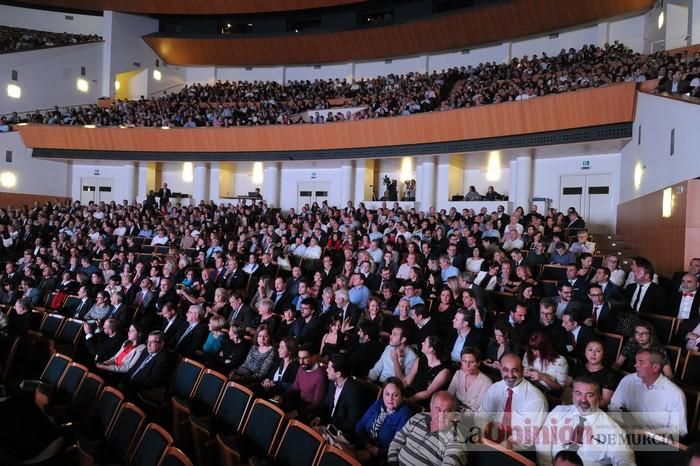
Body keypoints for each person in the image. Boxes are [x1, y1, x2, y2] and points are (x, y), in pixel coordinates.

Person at [536, 376, 634, 466]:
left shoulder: (612, 429)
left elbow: (625, 458)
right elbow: (542, 443)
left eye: (589, 395)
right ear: (573, 394)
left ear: (599, 398)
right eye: (578, 393)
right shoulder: (558, 412)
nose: (583, 400)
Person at [609, 348, 687, 437]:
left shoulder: (675, 394)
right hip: (624, 433)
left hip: (654, 442)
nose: (635, 365)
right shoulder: (628, 381)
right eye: (636, 362)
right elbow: (614, 406)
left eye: (640, 362)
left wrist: (647, 433)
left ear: (655, 367)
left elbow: (680, 431)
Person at [478, 353, 548, 448]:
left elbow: (527, 438)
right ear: (501, 369)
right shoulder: (494, 388)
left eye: (515, 370)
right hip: (490, 439)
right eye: (506, 370)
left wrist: (503, 446)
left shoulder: (536, 399)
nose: (510, 375)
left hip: (517, 449)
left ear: (522, 370)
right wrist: (482, 434)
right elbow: (482, 415)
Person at [387, 391, 467, 466]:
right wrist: (392, 462)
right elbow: (397, 440)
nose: (441, 415)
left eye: (447, 411)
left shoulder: (456, 440)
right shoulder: (418, 417)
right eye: (438, 409)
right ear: (431, 407)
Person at [355, 378, 413, 462]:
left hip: (380, 458)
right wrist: (368, 446)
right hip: (362, 445)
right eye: (387, 394)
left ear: (402, 396)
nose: (390, 398)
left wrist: (372, 453)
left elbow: (397, 446)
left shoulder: (405, 414)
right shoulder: (378, 403)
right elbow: (360, 426)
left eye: (395, 395)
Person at [310, 354, 364, 441]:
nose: (326, 370)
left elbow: (352, 422)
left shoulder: (354, 392)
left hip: (341, 432)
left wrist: (327, 428)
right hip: (328, 424)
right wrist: (318, 417)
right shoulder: (332, 383)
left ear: (338, 374)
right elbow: (326, 404)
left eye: (329, 368)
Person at [279, 344, 327, 419]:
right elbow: (295, 387)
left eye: (305, 358)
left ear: (314, 357)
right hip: (298, 402)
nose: (301, 362)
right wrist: (282, 397)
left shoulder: (321, 376)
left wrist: (296, 413)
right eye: (300, 358)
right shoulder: (301, 368)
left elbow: (316, 404)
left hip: (309, 409)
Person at [403, 335, 452, 402]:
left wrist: (406, 401)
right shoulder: (420, 360)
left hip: (427, 402)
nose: (422, 343)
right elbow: (407, 380)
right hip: (413, 394)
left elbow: (428, 393)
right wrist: (396, 389)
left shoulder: (444, 371)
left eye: (425, 342)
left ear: (431, 349)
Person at [447, 346, 492, 413]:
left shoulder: (486, 382)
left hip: (473, 416)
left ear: (478, 363)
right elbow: (448, 395)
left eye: (471, 362)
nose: (467, 365)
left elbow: (476, 408)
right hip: (454, 411)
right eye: (464, 361)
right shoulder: (458, 374)